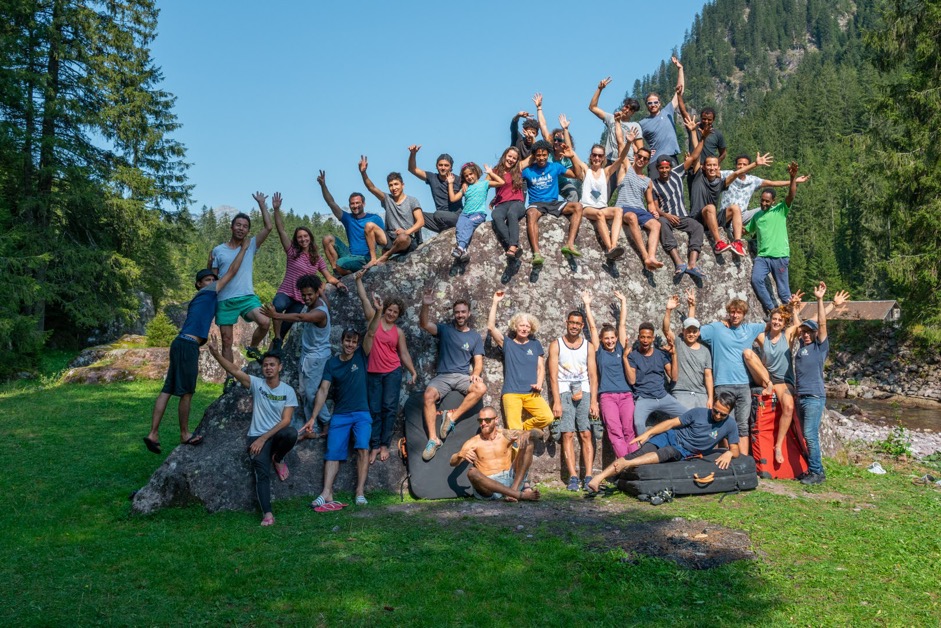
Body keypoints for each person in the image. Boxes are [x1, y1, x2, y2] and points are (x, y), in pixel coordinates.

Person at [144, 239, 250, 454]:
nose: (212, 281)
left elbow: (213, 275)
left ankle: (153, 433)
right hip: (188, 346)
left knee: (167, 389)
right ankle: (184, 434)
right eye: (208, 279)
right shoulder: (209, 291)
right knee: (187, 393)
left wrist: (210, 263)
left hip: (180, 343)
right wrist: (245, 249)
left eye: (213, 279)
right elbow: (231, 272)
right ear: (200, 284)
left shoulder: (201, 295)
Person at [206, 338, 298, 527]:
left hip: (274, 435)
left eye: (272, 365)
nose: (268, 368)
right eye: (265, 365)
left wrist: (264, 439)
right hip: (256, 435)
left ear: (279, 368)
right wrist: (215, 353)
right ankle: (268, 513)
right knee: (260, 471)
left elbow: (286, 420)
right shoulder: (257, 384)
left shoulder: (288, 391)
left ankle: (278, 459)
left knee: (291, 433)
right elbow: (234, 370)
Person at [586, 392, 740, 493]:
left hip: (684, 450)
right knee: (637, 453)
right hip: (669, 436)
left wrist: (728, 453)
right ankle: (598, 479)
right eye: (715, 411)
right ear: (712, 406)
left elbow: (735, 450)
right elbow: (671, 423)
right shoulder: (698, 412)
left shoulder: (730, 425)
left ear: (729, 412)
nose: (718, 416)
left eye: (722, 414)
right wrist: (648, 433)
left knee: (666, 453)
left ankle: (626, 466)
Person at [354, 270, 417, 464]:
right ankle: (374, 446)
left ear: (398, 315)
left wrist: (413, 371)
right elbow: (364, 298)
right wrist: (358, 280)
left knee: (389, 408)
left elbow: (403, 353)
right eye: (389, 309)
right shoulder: (374, 318)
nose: (391, 313)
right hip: (373, 372)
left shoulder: (398, 332)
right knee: (374, 409)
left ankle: (384, 444)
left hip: (392, 371)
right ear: (385, 308)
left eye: (395, 312)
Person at [305, 327, 373, 509]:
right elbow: (323, 390)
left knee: (362, 449)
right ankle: (326, 492)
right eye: (347, 340)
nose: (350, 344)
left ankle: (360, 492)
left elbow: (372, 331)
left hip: (361, 412)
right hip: (340, 414)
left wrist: (379, 311)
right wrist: (313, 417)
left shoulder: (361, 356)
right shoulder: (332, 364)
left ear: (357, 344)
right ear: (342, 341)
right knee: (332, 453)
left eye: (353, 341)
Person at [269, 192, 344, 352]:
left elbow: (328, 276)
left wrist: (338, 283)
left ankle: (274, 351)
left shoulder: (316, 258)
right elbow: (281, 230)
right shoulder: (291, 251)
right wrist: (276, 210)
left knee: (286, 326)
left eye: (305, 236)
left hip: (300, 298)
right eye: (299, 237)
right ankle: (275, 339)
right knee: (277, 306)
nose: (303, 239)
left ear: (310, 238)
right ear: (296, 240)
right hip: (286, 291)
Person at [419, 290, 486, 461]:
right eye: (457, 312)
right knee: (428, 395)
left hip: (463, 376)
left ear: (468, 313)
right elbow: (425, 324)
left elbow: (478, 361)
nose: (460, 315)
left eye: (463, 312)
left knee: (481, 388)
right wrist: (426, 305)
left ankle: (451, 418)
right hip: (443, 376)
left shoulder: (475, 336)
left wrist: (476, 374)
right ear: (454, 314)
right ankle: (433, 440)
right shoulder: (445, 329)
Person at [261, 274, 331, 435]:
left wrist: (276, 316)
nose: (306, 298)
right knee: (303, 391)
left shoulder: (320, 312)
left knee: (310, 392)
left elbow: (301, 317)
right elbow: (324, 300)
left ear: (315, 293)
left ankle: (326, 423)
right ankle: (311, 427)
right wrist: (321, 291)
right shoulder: (319, 301)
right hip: (308, 355)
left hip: (317, 357)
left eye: (309, 294)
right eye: (303, 295)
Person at [208, 192, 273, 363]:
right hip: (224, 300)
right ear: (231, 227)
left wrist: (262, 204)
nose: (241, 228)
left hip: (247, 297)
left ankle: (252, 347)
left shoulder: (250, 245)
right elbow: (212, 278)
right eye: (238, 225)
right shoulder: (218, 250)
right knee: (227, 342)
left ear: (248, 230)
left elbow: (268, 227)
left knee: (265, 321)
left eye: (245, 226)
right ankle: (230, 378)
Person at [698, 299, 767, 456]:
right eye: (733, 312)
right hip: (723, 384)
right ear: (729, 312)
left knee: (742, 425)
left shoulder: (750, 329)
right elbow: (694, 330)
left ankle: (742, 462)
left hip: (744, 385)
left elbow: (773, 326)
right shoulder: (717, 328)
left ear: (744, 314)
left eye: (739, 312)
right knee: (722, 423)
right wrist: (692, 307)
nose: (735, 315)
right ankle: (726, 458)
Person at [743, 294, 804, 464]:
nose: (777, 322)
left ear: (784, 324)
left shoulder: (787, 336)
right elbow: (745, 329)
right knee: (748, 353)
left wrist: (794, 309)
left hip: (783, 381)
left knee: (789, 406)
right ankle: (767, 383)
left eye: (780, 320)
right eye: (774, 319)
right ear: (770, 321)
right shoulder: (763, 337)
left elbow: (799, 328)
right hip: (766, 378)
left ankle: (778, 445)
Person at [746, 161, 812, 313]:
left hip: (779, 256)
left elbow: (791, 195)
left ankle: (791, 317)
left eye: (767, 201)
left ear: (773, 201)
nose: (763, 203)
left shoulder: (780, 210)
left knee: (783, 292)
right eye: (762, 200)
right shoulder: (757, 216)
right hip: (762, 257)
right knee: (756, 280)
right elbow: (745, 230)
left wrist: (793, 177)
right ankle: (772, 310)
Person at [687, 139, 772, 257]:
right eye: (709, 165)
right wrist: (698, 135)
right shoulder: (698, 178)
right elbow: (696, 156)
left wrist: (755, 164)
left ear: (718, 167)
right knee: (711, 207)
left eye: (714, 165)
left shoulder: (720, 183)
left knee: (735, 208)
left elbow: (736, 174)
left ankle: (737, 242)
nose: (712, 168)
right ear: (704, 167)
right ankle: (718, 243)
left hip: (712, 218)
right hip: (698, 218)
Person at [650, 114, 708, 280]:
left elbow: (695, 156)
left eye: (667, 167)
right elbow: (654, 207)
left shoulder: (677, 173)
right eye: (661, 168)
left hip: (682, 216)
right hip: (668, 217)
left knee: (697, 226)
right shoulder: (653, 184)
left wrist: (700, 137)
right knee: (661, 222)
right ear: (658, 168)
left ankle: (692, 263)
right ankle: (678, 262)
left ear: (670, 167)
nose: (665, 170)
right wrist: (666, 215)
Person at [487, 290, 554, 434]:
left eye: (527, 326)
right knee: (514, 435)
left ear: (532, 328)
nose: (524, 328)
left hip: (531, 393)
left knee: (547, 417)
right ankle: (518, 435)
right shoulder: (508, 344)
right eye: (521, 325)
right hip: (511, 393)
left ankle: (524, 429)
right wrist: (495, 303)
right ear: (515, 327)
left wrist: (539, 383)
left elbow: (540, 367)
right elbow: (491, 328)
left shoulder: (535, 344)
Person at [548, 309, 598, 491]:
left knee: (586, 434)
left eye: (578, 323)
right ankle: (573, 477)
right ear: (566, 323)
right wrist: (556, 401)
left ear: (582, 325)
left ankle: (589, 476)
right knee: (567, 434)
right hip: (564, 392)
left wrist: (593, 401)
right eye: (572, 323)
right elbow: (553, 376)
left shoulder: (588, 346)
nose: (574, 326)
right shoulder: (556, 345)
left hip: (584, 391)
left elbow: (593, 375)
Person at [583, 290, 638, 458]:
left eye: (612, 338)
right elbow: (592, 328)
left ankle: (635, 463)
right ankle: (623, 464)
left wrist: (623, 301)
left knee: (629, 430)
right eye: (606, 338)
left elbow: (622, 324)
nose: (610, 341)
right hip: (607, 396)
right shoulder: (599, 351)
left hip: (626, 395)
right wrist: (587, 305)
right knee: (615, 431)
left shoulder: (620, 348)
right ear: (601, 339)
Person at [449, 406, 541, 502]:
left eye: (487, 420)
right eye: (480, 421)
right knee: (472, 472)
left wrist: (529, 433)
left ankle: (513, 490)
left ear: (496, 420)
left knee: (528, 442)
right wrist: (460, 454)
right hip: (489, 485)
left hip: (510, 479)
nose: (483, 424)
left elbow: (539, 433)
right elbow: (452, 462)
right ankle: (518, 494)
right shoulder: (474, 442)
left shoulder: (505, 435)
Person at [571, 126, 634, 262]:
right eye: (594, 155)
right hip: (587, 208)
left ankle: (614, 245)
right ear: (590, 156)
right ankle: (610, 248)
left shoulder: (606, 172)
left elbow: (621, 158)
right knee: (599, 215)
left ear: (603, 158)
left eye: (600, 155)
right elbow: (571, 153)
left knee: (618, 211)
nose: (597, 158)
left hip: (602, 207)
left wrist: (628, 143)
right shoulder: (585, 170)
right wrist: (565, 129)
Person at [794, 282, 836, 485]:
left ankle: (817, 472)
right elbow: (796, 326)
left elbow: (822, 323)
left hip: (814, 397)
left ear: (815, 333)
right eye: (804, 332)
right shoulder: (801, 347)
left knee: (810, 435)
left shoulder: (820, 348)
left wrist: (820, 299)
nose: (806, 334)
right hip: (801, 397)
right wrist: (794, 310)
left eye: (810, 332)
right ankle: (812, 469)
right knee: (806, 435)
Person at [720, 155, 811, 248]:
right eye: (739, 164)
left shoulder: (752, 180)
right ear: (735, 165)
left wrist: (795, 181)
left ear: (748, 167)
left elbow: (773, 183)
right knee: (735, 209)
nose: (742, 167)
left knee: (765, 210)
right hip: (726, 214)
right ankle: (734, 233)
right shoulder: (727, 174)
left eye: (745, 164)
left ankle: (757, 238)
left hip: (743, 215)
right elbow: (710, 171)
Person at [521, 139, 585, 266]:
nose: (541, 158)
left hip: (554, 203)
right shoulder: (528, 171)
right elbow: (514, 170)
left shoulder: (555, 167)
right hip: (537, 204)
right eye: (538, 155)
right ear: (534, 156)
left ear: (548, 154)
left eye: (544, 155)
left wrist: (572, 157)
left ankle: (570, 244)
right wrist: (529, 159)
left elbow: (577, 175)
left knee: (578, 206)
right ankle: (537, 254)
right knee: (531, 214)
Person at [358, 156, 424, 268]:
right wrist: (363, 173)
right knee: (369, 225)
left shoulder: (412, 200)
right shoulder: (387, 199)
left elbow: (421, 222)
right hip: (390, 239)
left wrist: (406, 232)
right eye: (391, 185)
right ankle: (373, 259)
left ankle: (386, 255)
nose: (394, 188)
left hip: (407, 241)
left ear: (402, 185)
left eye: (396, 184)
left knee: (403, 238)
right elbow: (371, 188)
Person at [625, 321, 688, 437]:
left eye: (648, 337)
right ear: (639, 337)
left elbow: (674, 377)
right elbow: (632, 380)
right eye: (643, 337)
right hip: (644, 398)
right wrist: (624, 358)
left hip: (662, 397)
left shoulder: (660, 354)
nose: (645, 340)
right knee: (638, 423)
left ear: (653, 338)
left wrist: (674, 355)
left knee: (688, 415)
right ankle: (646, 450)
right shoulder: (633, 356)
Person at [318, 170, 385, 275]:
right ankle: (337, 272)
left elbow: (384, 241)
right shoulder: (348, 218)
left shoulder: (374, 219)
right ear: (349, 205)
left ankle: (348, 273)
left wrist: (382, 259)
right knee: (327, 239)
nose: (355, 206)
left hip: (365, 258)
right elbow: (331, 203)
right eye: (352, 204)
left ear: (364, 203)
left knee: (340, 263)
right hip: (350, 255)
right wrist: (323, 185)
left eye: (358, 203)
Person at [613, 146, 664, 271]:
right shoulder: (627, 168)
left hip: (641, 209)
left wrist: (653, 211)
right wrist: (629, 139)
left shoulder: (647, 181)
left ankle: (652, 256)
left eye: (645, 159)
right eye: (639, 156)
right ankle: (645, 256)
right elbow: (621, 147)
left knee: (656, 225)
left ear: (647, 162)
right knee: (632, 217)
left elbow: (650, 202)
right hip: (624, 207)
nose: (641, 160)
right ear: (635, 156)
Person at [662, 290, 713, 411]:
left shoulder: (705, 351)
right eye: (688, 331)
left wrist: (710, 397)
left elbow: (708, 376)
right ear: (683, 331)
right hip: (681, 392)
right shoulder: (679, 343)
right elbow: (666, 329)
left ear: (699, 332)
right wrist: (668, 310)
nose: (691, 334)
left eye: (694, 331)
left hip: (701, 394)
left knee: (702, 426)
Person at [446, 162, 504, 261]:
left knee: (469, 224)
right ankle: (464, 252)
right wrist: (450, 183)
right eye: (466, 176)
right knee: (459, 227)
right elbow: (453, 198)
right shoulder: (466, 188)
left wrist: (491, 173)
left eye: (471, 174)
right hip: (464, 214)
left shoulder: (485, 184)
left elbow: (501, 182)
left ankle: (460, 248)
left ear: (476, 172)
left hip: (479, 214)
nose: (469, 177)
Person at [638, 56, 685, 176]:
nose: (653, 105)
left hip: (671, 157)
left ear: (660, 103)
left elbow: (679, 91)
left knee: (674, 186)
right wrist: (645, 152)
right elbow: (634, 140)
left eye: (655, 102)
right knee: (655, 190)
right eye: (650, 103)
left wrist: (680, 69)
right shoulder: (643, 123)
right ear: (646, 105)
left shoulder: (668, 111)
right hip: (654, 160)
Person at [407, 145, 463, 234]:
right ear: (436, 166)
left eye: (446, 165)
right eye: (440, 165)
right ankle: (418, 241)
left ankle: (447, 232)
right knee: (415, 215)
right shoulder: (432, 177)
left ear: (451, 167)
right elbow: (412, 169)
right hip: (440, 220)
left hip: (456, 217)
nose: (443, 168)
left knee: (438, 214)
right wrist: (413, 154)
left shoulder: (459, 180)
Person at [587, 76, 644, 164]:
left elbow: (640, 149)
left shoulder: (635, 126)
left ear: (633, 113)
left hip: (628, 161)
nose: (627, 110)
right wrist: (599, 89)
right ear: (623, 106)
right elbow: (592, 107)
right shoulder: (611, 118)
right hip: (611, 160)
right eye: (626, 107)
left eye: (631, 109)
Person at [490, 146, 529, 260]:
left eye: (514, 158)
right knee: (496, 215)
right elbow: (483, 185)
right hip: (501, 204)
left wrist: (534, 138)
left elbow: (532, 158)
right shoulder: (495, 171)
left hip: (517, 203)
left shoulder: (518, 169)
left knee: (512, 214)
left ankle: (512, 246)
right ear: (504, 156)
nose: (511, 159)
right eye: (509, 156)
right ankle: (512, 247)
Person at [509, 95, 544, 160]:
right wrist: (518, 116)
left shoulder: (537, 146)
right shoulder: (518, 139)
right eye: (528, 132)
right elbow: (513, 127)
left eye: (533, 133)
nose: (530, 135)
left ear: (536, 134)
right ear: (524, 131)